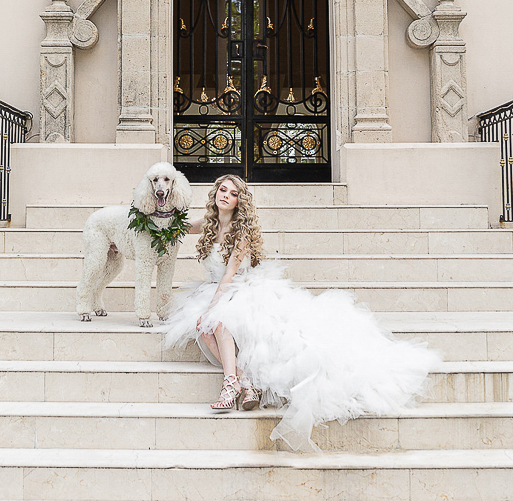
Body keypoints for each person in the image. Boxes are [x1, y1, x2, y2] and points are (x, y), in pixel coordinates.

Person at [163, 172, 441, 452]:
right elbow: (173, 227)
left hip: (241, 288)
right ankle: (245, 380)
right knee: (204, 328)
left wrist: (212, 308)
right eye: (223, 190)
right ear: (215, 193)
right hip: (216, 289)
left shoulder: (241, 232)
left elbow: (229, 275)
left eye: (233, 193)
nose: (226, 196)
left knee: (217, 322)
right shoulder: (208, 223)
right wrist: (154, 212)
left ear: (239, 201)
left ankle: (229, 384)